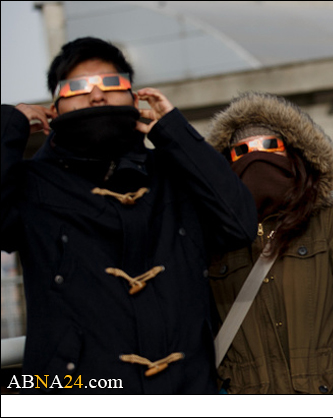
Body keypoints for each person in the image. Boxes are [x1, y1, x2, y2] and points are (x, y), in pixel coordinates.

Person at [0, 37, 257, 394]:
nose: (96, 95)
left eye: (111, 82)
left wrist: (174, 131)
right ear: (54, 108)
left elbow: (240, 224)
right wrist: (8, 127)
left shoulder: (174, 173)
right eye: (77, 87)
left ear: (135, 98)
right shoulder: (33, 184)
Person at [205, 92, 333, 394]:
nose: (256, 156)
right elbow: (196, 327)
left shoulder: (328, 217)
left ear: (293, 153)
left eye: (269, 145)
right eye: (242, 151)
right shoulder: (213, 234)